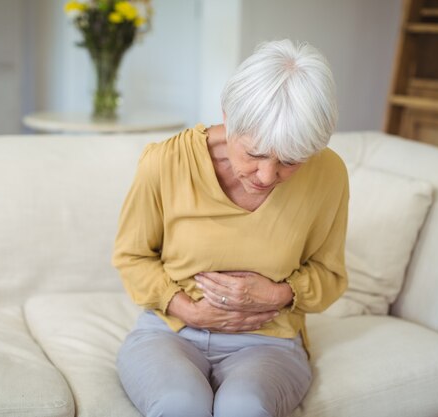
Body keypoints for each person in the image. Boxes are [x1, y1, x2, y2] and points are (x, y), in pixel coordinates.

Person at [113, 39, 349, 417]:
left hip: (270, 343)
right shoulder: (165, 162)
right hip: (170, 333)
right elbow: (131, 256)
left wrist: (278, 295)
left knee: (245, 408)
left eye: (290, 161)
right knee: (181, 405)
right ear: (227, 115)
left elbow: (330, 274)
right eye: (254, 154)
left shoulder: (329, 174)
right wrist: (188, 310)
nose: (268, 175)